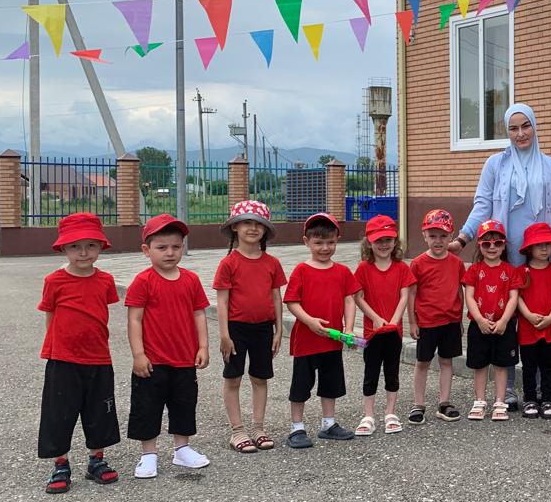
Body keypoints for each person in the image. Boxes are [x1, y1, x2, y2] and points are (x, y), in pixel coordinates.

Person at [449, 103, 551, 409]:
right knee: (510, 320)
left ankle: (539, 387)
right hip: (506, 255)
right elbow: (482, 204)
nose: (520, 134)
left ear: (535, 126)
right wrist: (464, 237)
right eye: (513, 128)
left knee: (538, 317)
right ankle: (512, 388)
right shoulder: (495, 164)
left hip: (540, 257)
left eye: (525, 126)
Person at [36, 213, 121, 494]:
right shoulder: (54, 281)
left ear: (101, 247)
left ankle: (97, 459)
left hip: (98, 356)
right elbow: (50, 316)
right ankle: (60, 463)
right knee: (59, 412)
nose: (83, 253)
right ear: (63, 248)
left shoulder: (106, 280)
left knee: (100, 411)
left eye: (91, 245)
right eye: (75, 246)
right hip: (63, 358)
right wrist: (56, 348)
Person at [125, 214, 210, 479]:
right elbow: (134, 319)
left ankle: (182, 449)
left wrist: (203, 347)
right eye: (162, 247)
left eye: (176, 246)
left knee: (184, 404)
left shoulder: (191, 279)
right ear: (146, 250)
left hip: (184, 359)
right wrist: (138, 355)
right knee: (147, 406)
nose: (170, 253)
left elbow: (199, 314)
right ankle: (148, 453)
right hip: (153, 361)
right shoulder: (143, 281)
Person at [285, 212, 377, 449]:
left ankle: (328, 423)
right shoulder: (301, 270)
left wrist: (349, 328)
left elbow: (349, 300)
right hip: (306, 341)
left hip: (332, 340)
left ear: (337, 240)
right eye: (319, 243)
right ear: (306, 242)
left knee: (331, 383)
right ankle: (297, 427)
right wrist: (309, 321)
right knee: (301, 385)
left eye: (330, 242)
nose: (325, 248)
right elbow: (292, 302)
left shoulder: (343, 271)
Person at [212, 200, 285, 454]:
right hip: (235, 329)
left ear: (265, 229)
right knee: (233, 378)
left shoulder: (272, 263)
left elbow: (276, 297)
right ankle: (237, 430)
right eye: (247, 223)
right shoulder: (228, 263)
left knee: (260, 377)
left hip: (263, 328)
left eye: (258, 224)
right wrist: (224, 335)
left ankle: (258, 427)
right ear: (235, 227)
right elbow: (222, 301)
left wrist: (279, 330)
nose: (253, 228)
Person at [353, 214, 415, 436]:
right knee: (370, 372)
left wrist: (396, 319)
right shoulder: (363, 268)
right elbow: (358, 297)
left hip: (393, 331)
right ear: (369, 242)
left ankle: (390, 412)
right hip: (372, 332)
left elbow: (405, 295)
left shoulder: (401, 268)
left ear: (395, 241)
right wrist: (375, 317)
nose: (383, 244)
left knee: (392, 371)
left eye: (388, 239)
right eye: (378, 240)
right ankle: (368, 414)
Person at [408, 209, 466, 424]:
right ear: (424, 236)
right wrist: (412, 322)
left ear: (451, 236)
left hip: (450, 321)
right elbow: (411, 294)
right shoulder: (418, 263)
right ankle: (418, 404)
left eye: (443, 235)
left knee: (447, 362)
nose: (438, 240)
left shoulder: (457, 263)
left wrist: (460, 319)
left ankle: (444, 402)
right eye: (432, 236)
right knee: (422, 362)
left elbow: (460, 291)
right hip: (427, 321)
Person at [462, 219, 521, 423]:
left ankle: (499, 401)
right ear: (480, 245)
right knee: (479, 365)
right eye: (486, 243)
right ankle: (479, 401)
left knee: (501, 365)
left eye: (497, 242)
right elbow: (469, 297)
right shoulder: (473, 270)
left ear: (504, 245)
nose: (492, 247)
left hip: (503, 326)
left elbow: (513, 297)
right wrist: (479, 319)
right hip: (479, 326)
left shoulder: (511, 270)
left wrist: (504, 320)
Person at [516, 223, 551, 419]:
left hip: (550, 326)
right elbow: (517, 297)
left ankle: (547, 399)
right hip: (527, 327)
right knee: (529, 366)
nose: (544, 248)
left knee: (548, 366)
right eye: (539, 245)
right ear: (529, 248)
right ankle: (529, 399)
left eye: (547, 244)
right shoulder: (522, 271)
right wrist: (528, 315)